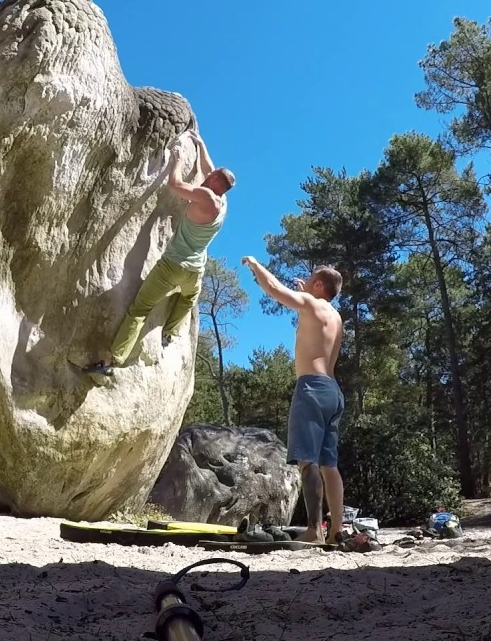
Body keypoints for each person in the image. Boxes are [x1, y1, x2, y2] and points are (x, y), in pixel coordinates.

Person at [83, 130, 236, 377]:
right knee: (187, 299)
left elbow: (174, 185)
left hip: (172, 266)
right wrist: (201, 143)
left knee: (139, 309)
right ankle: (170, 333)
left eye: (213, 176)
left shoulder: (205, 196)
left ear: (215, 182)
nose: (208, 174)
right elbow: (210, 168)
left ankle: (112, 361)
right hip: (195, 272)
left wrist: (176, 161)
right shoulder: (223, 202)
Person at [241, 257, 345, 544]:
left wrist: (254, 265)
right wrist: (307, 294)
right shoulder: (335, 317)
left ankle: (315, 531)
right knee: (329, 465)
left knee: (307, 463)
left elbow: (273, 288)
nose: (305, 283)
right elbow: (315, 325)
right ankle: (337, 530)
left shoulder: (311, 305)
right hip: (333, 392)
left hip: (311, 388)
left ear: (320, 284)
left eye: (311, 280)